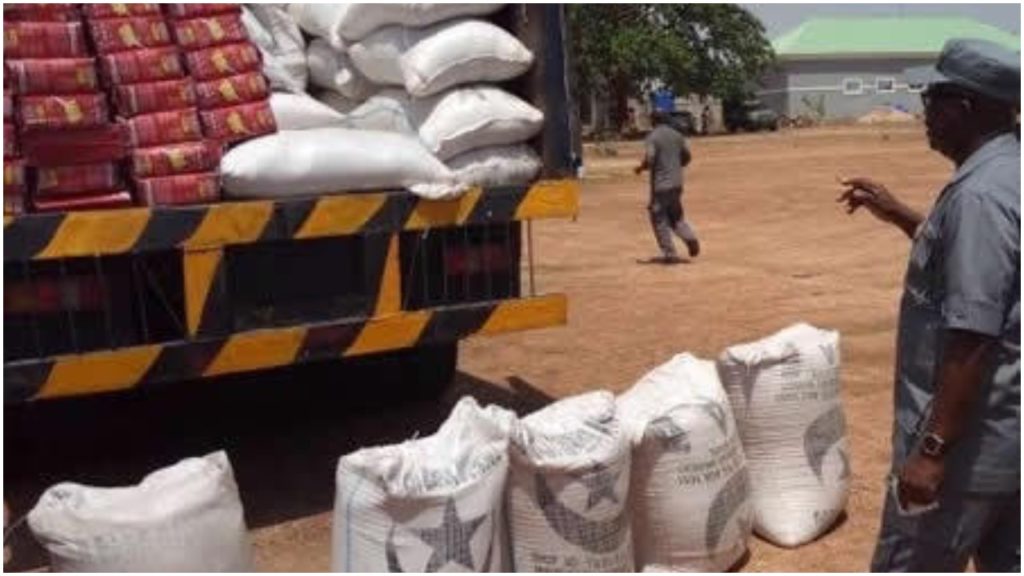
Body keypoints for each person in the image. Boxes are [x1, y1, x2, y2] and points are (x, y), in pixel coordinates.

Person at [837, 38, 1019, 572]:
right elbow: (985, 274)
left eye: (933, 97)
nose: (924, 112)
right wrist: (900, 215)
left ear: (967, 107)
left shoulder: (979, 196)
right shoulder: (1009, 175)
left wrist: (933, 451)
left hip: (967, 456)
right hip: (1010, 442)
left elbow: (973, 332)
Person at [634, 110, 700, 264]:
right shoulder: (677, 135)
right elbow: (687, 157)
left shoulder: (653, 137)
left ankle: (670, 253)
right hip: (677, 183)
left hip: (661, 184)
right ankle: (690, 237)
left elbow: (650, 158)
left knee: (658, 217)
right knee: (676, 216)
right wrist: (676, 165)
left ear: (653, 121)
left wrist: (641, 167)